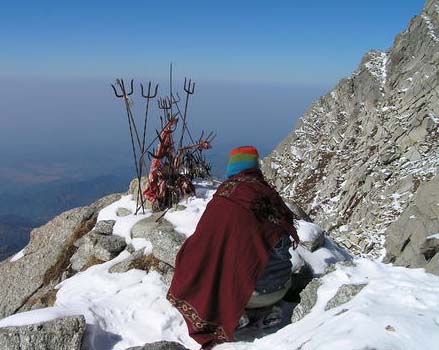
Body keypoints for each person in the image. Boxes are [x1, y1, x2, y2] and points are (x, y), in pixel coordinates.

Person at [167, 146, 300, 349]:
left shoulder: (226, 198)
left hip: (248, 297)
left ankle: (235, 315)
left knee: (201, 260)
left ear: (232, 169)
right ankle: (266, 310)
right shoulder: (270, 196)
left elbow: (201, 248)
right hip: (282, 287)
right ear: (255, 169)